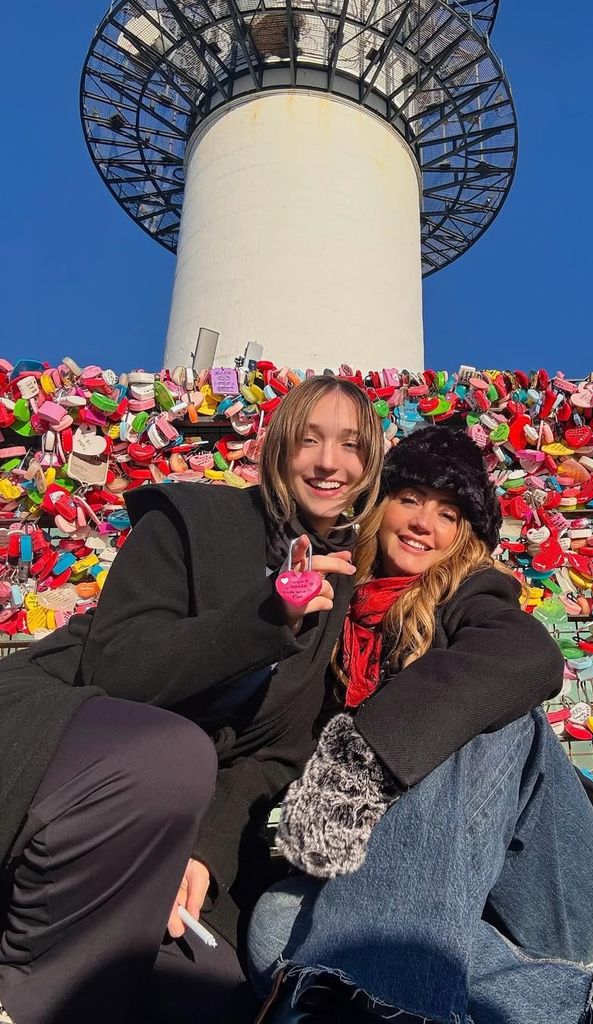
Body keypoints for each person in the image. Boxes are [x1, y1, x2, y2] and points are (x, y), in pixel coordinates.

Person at [0, 375, 383, 1024]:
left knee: (210, 986)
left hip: (170, 805)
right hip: (56, 740)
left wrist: (204, 849)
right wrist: (267, 618)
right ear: (277, 448)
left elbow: (273, 755)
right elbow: (119, 669)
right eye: (309, 439)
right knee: (176, 755)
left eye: (350, 446)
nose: (329, 462)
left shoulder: (339, 586)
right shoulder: (190, 519)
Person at [246, 426, 593, 1024]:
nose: (423, 523)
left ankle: (394, 1000)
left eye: (448, 513)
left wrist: (358, 761)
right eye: (409, 499)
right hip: (431, 896)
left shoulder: (472, 597)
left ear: (465, 535)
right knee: (275, 927)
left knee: (482, 709)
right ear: (378, 507)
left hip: (553, 898)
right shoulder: (335, 607)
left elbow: (531, 657)